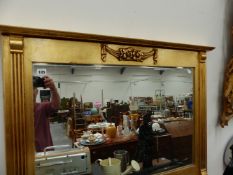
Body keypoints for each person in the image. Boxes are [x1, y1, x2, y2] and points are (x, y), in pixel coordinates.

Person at [33, 75, 60, 152]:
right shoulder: (20, 111)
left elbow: (56, 105)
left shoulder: (42, 107)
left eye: (33, 88)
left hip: (45, 152)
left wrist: (53, 89)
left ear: (37, 92)